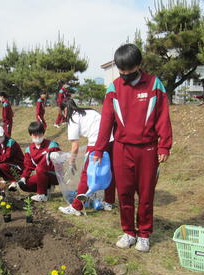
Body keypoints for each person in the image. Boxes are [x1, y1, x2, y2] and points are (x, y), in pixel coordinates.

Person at [93, 43, 172, 252]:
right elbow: (106, 122)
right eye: (121, 70)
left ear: (138, 65)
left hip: (147, 149)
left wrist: (164, 146)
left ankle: (144, 234)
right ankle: (128, 232)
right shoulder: (114, 88)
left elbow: (163, 117)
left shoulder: (154, 85)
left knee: (146, 194)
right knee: (125, 193)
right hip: (121, 148)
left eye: (128, 70)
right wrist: (99, 149)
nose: (124, 74)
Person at [57, 99, 115, 216]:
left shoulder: (73, 118)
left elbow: (75, 146)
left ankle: (76, 207)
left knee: (87, 174)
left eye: (62, 112)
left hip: (97, 143)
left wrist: (71, 162)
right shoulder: (88, 111)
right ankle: (109, 202)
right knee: (109, 171)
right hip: (111, 140)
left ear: (65, 110)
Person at [18, 122, 60, 202]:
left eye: (40, 134)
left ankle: (42, 194)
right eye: (34, 135)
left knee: (40, 167)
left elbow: (61, 159)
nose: (37, 137)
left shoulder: (52, 145)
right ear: (31, 135)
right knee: (24, 185)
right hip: (41, 175)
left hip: (54, 175)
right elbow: (28, 166)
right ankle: (47, 188)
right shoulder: (29, 149)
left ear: (43, 133)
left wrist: (57, 154)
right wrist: (23, 177)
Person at [0, 126, 24, 191]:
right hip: (8, 165)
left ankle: (14, 180)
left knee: (2, 165)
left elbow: (6, 157)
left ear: (3, 133)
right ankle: (6, 178)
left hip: (18, 165)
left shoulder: (11, 142)